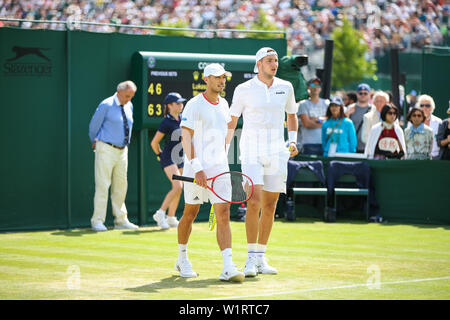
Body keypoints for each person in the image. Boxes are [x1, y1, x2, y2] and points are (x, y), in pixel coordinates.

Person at [228, 47, 299, 277]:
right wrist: (224, 148)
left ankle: (260, 257)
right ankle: (249, 258)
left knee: (270, 205)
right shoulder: (243, 89)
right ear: (259, 64)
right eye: (269, 60)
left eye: (276, 60)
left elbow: (292, 115)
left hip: (277, 151)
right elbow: (232, 120)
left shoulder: (286, 87)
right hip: (251, 151)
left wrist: (293, 141)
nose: (274, 64)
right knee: (255, 201)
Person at [175, 63, 245, 282]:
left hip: (220, 169)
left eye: (224, 77)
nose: (221, 81)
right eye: (217, 77)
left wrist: (222, 159)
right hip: (197, 169)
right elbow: (186, 138)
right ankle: (182, 258)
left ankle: (227, 266)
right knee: (190, 214)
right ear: (206, 79)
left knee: (223, 213)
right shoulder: (194, 105)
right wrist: (198, 168)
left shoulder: (224, 104)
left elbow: (226, 134)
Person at [88, 80, 139, 231]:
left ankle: (121, 220)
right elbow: (93, 126)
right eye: (126, 96)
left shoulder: (129, 105)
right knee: (103, 185)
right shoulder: (106, 104)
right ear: (119, 92)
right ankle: (97, 221)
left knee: (121, 186)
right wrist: (94, 141)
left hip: (123, 151)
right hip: (106, 148)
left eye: (131, 96)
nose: (128, 99)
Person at [150, 92, 187, 229]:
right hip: (168, 158)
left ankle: (171, 217)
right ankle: (160, 213)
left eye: (181, 103)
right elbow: (154, 143)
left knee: (178, 189)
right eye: (177, 103)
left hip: (180, 157)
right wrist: (160, 155)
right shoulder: (166, 122)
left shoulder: (183, 119)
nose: (181, 105)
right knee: (178, 186)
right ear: (170, 106)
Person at [297, 77, 328, 155]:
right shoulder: (303, 104)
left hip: (325, 143)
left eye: (318, 85)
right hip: (308, 144)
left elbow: (331, 120)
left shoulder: (326, 103)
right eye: (313, 84)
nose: (316, 87)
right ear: (308, 87)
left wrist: (317, 119)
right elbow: (307, 124)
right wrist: (324, 122)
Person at [347, 83, 375, 153]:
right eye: (360, 93)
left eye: (365, 93)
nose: (363, 95)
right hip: (352, 147)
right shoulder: (350, 108)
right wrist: (347, 114)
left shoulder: (373, 109)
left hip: (367, 147)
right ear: (357, 94)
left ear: (369, 94)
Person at [417, 94, 442, 159]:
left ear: (432, 107)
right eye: (422, 105)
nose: (424, 108)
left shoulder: (439, 122)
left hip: (435, 156)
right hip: (418, 157)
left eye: (427, 105)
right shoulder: (412, 122)